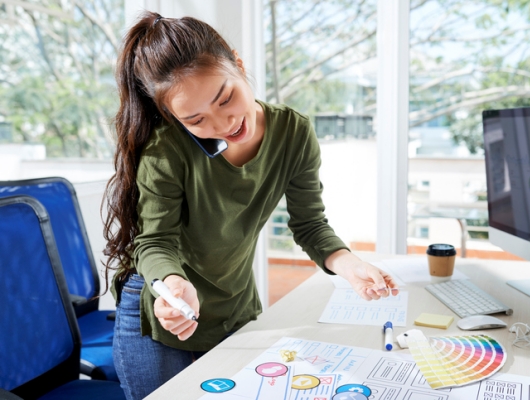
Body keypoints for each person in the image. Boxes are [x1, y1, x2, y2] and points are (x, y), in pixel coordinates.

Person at [102, 10, 400, 400]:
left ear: (239, 65)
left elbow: (310, 225)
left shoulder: (293, 132)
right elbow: (155, 243)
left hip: (233, 305)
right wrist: (173, 288)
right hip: (162, 307)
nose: (223, 123)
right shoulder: (165, 149)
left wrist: (350, 265)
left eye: (226, 98)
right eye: (195, 120)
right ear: (173, 117)